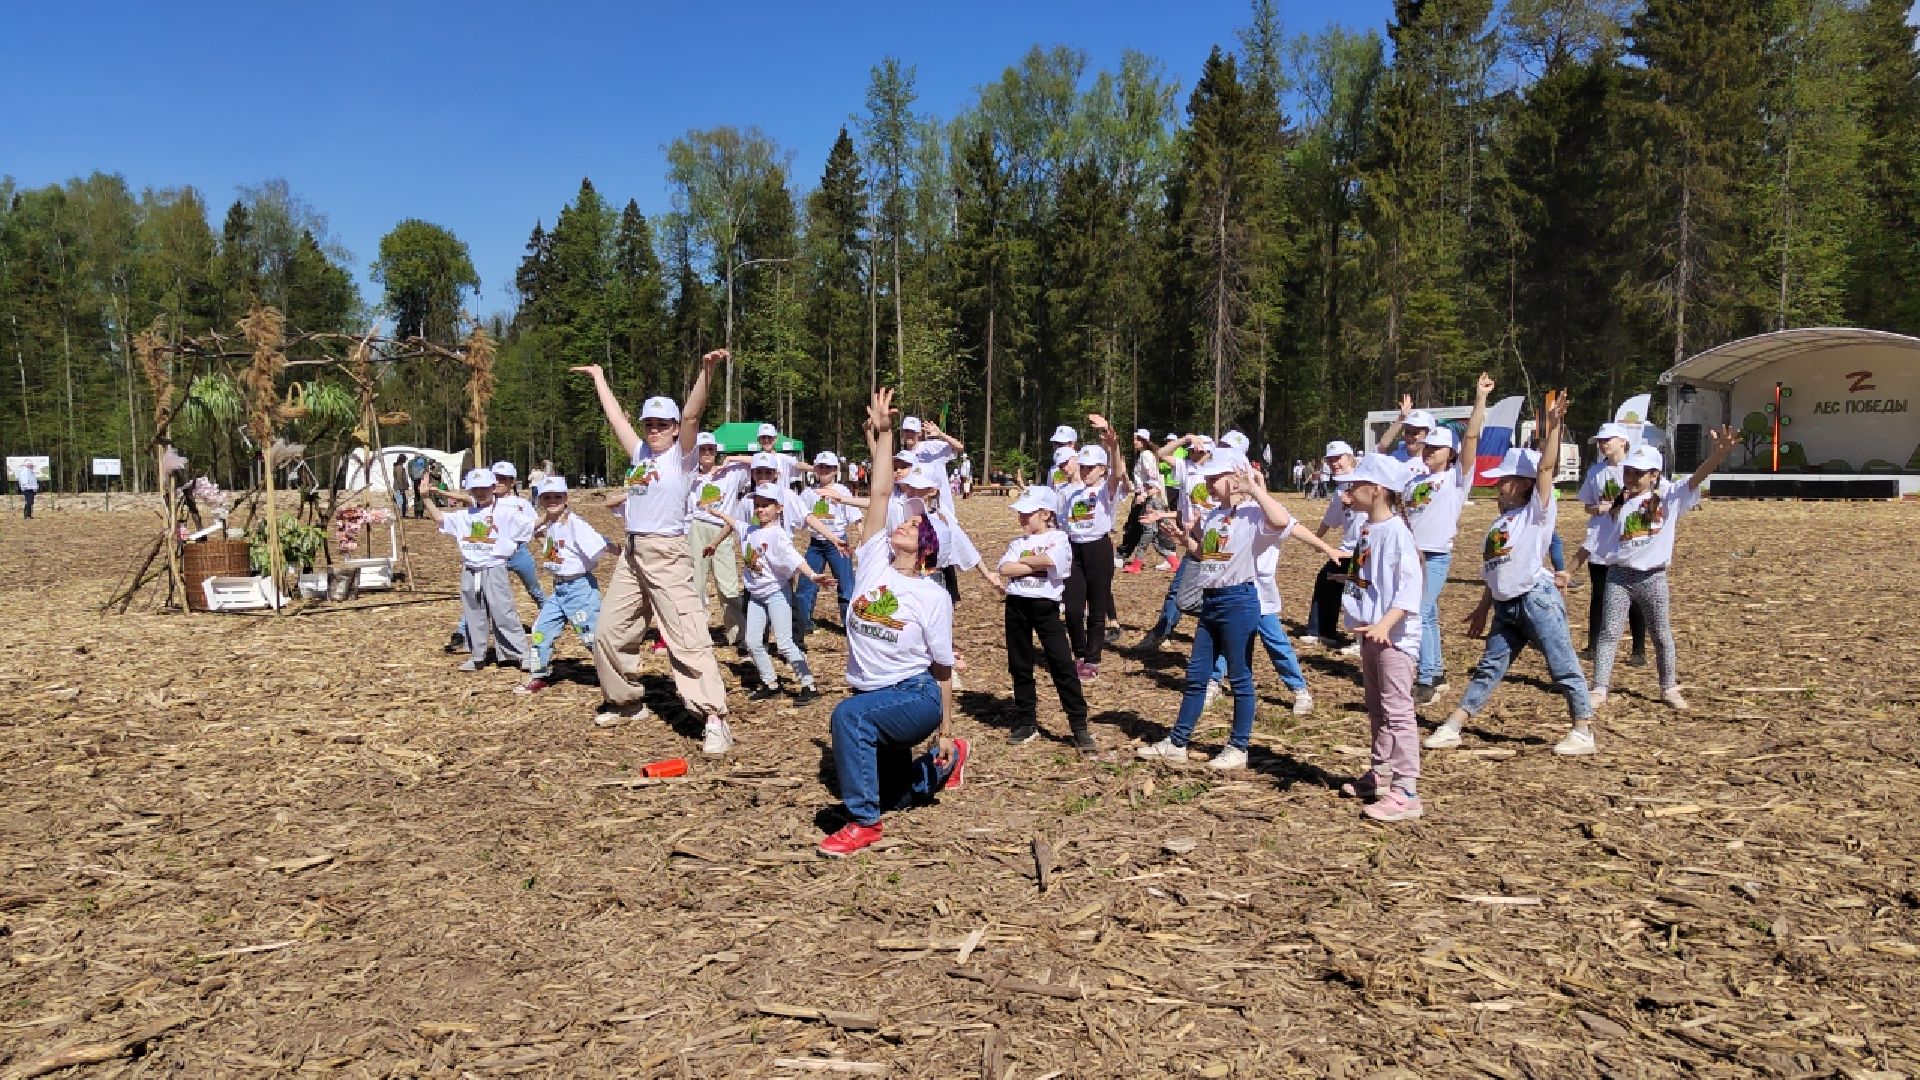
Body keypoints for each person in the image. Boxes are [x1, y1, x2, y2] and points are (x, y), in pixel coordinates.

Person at [820, 388, 966, 858]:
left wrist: (942, 728)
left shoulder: (932, 596)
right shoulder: (871, 563)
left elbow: (942, 671)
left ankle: (864, 824)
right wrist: (883, 435)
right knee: (900, 796)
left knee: (847, 717)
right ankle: (944, 766)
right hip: (874, 694)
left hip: (913, 697)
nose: (902, 524)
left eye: (914, 526)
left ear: (926, 547)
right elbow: (880, 490)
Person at [571, 352, 734, 753]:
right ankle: (626, 702)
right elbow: (616, 421)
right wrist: (599, 378)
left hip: (667, 553)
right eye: (650, 424)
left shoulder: (683, 457)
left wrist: (706, 371)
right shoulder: (640, 454)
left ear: (676, 428)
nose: (655, 429)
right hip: (632, 554)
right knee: (609, 631)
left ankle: (714, 717)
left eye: (663, 424)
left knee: (687, 635)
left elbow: (695, 415)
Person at [1424, 393, 1597, 755]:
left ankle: (1583, 730)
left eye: (1505, 480)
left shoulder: (1538, 512)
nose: (1498, 485)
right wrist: (1484, 606)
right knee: (1489, 668)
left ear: (1524, 483)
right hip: (1507, 606)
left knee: (1562, 664)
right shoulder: (1502, 520)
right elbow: (1495, 570)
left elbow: (1546, 469)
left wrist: (1554, 426)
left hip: (1536, 601)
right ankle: (1455, 725)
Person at [1135, 449, 1306, 770]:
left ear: (1236, 477)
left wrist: (1255, 488)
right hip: (1211, 600)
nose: (1210, 484)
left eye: (1216, 478)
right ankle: (1177, 742)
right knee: (1197, 676)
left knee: (1240, 678)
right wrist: (1186, 541)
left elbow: (1282, 520)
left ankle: (1238, 747)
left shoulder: (1256, 514)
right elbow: (1210, 556)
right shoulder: (1214, 516)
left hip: (1239, 602)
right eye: (1209, 478)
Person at [1589, 427, 1740, 712]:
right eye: (1629, 471)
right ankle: (1599, 688)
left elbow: (1697, 478)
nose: (1632, 477)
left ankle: (1668, 687)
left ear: (1654, 475)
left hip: (1653, 577)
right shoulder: (1619, 504)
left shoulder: (1670, 499)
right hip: (1619, 577)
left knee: (1661, 634)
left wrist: (1718, 453)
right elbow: (1604, 542)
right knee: (1608, 634)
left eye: (1639, 473)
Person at [1333, 453, 1425, 822]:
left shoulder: (1398, 533)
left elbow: (1410, 586)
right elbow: (1372, 573)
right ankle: (1380, 773)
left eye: (1357, 485)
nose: (1349, 491)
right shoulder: (1369, 529)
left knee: (1398, 711)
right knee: (1377, 707)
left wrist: (1386, 624)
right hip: (1370, 634)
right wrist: (1350, 582)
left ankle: (1407, 790)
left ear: (1377, 489)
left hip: (1395, 640)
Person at [1402, 376, 1492, 705]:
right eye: (1426, 447)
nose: (1428, 452)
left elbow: (1471, 437)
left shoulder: (1456, 479)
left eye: (1435, 448)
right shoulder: (1414, 478)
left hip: (1436, 555)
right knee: (1429, 613)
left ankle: (1425, 679)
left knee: (1421, 611)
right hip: (1412, 554)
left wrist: (1479, 399)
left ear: (1450, 455)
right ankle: (1436, 671)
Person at [995, 486, 1096, 753]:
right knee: (1019, 664)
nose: (1022, 519)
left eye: (1028, 514)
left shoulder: (1060, 538)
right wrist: (1036, 563)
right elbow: (1005, 568)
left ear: (1045, 513)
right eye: (1021, 514)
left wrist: (1027, 563)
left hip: (1045, 607)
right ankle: (1026, 721)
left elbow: (1054, 562)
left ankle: (1078, 725)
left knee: (1062, 664)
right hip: (1016, 605)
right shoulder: (1017, 543)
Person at [420, 468, 532, 672]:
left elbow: (529, 528)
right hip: (471, 570)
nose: (480, 492)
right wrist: (426, 498)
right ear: (470, 491)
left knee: (503, 612)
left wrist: (552, 519)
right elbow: (440, 519)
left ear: (492, 488)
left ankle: (520, 654)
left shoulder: (506, 512)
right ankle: (478, 655)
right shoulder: (465, 515)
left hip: (494, 567)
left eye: (484, 488)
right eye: (475, 489)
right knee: (474, 613)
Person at [517, 477, 609, 695]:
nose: (552, 501)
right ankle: (538, 674)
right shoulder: (551, 524)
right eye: (546, 497)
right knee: (541, 630)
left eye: (557, 496)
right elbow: (525, 535)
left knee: (591, 636)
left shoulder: (575, 523)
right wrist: (545, 522)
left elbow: (600, 543)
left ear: (566, 498)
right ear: (539, 500)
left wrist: (623, 553)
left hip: (580, 589)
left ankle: (614, 675)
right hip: (559, 590)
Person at [740, 483, 830, 701]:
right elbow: (734, 523)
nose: (760, 510)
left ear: (779, 508)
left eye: (766, 506)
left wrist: (812, 575)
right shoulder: (751, 530)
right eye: (758, 505)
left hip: (776, 594)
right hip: (756, 595)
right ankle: (770, 682)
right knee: (752, 642)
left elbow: (795, 558)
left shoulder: (778, 535)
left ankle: (809, 686)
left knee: (785, 643)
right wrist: (713, 511)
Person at [1574, 423, 1648, 665]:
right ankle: (1593, 646)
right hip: (1600, 541)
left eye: (1607, 440)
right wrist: (1600, 508)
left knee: (1635, 597)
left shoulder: (1637, 470)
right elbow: (1587, 505)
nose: (1602, 444)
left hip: (1629, 540)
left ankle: (1638, 651)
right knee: (1599, 595)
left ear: (1623, 442)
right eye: (1600, 440)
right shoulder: (1595, 472)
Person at [1061, 417, 1124, 679]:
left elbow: (1119, 474)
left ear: (1102, 469)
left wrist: (1114, 446)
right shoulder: (1068, 493)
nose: (1085, 472)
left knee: (1097, 608)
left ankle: (1093, 658)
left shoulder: (1105, 491)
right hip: (1074, 550)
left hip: (1099, 549)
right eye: (1083, 467)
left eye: (1091, 468)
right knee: (1074, 609)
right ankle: (1079, 654)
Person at [688, 432, 750, 643]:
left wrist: (732, 458)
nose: (706, 453)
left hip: (722, 530)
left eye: (710, 449)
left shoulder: (732, 472)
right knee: (695, 583)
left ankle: (739, 635)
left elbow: (767, 461)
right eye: (702, 449)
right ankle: (696, 634)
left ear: (716, 451)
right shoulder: (688, 475)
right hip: (696, 529)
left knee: (728, 586)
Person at [1300, 441, 1360, 653]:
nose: (1334, 463)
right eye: (1330, 459)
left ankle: (1360, 641)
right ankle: (1322, 632)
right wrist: (1317, 540)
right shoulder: (1339, 489)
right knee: (1326, 579)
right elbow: (1330, 518)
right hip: (1347, 547)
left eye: (1338, 458)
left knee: (1358, 589)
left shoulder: (1364, 480)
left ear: (1350, 458)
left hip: (1366, 548)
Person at [794, 452, 859, 634]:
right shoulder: (808, 493)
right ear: (815, 469)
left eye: (828, 467)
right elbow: (798, 516)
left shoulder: (843, 491)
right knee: (806, 583)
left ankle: (849, 625)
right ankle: (803, 623)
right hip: (816, 544)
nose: (824, 471)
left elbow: (855, 517)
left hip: (838, 544)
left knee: (846, 585)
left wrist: (862, 540)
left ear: (835, 470)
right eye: (820, 467)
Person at [406, 453, 429, 519]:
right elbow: (426, 471)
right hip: (422, 481)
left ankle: (416, 513)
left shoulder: (410, 462)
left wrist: (413, 479)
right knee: (421, 496)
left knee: (416, 496)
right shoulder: (424, 462)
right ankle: (420, 513)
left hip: (415, 481)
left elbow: (410, 473)